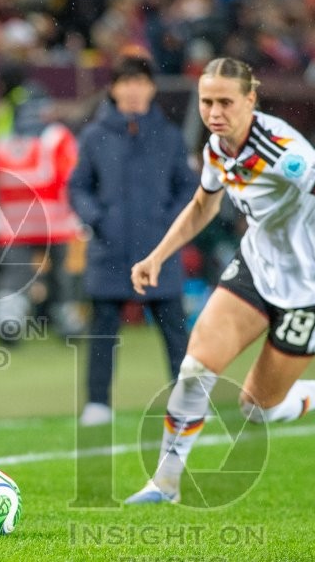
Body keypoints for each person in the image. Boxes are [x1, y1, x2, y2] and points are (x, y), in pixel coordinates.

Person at [124, 58, 315, 504]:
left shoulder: (279, 150)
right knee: (195, 368)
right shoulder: (218, 146)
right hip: (258, 267)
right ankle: (165, 483)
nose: (215, 112)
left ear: (250, 99)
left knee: (257, 409)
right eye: (206, 101)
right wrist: (157, 256)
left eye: (225, 102)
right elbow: (202, 205)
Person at [68, 55, 196, 426]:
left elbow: (188, 188)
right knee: (103, 333)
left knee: (175, 332)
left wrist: (169, 226)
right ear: (113, 89)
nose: (134, 90)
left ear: (152, 88)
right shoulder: (94, 136)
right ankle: (97, 403)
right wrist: (98, 219)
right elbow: (78, 187)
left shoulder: (170, 136)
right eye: (126, 82)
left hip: (160, 252)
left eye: (140, 82)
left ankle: (187, 400)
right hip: (109, 251)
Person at [0, 61, 84, 341]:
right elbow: (72, 174)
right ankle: (67, 323)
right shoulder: (57, 135)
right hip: (56, 218)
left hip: (16, 220)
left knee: (14, 276)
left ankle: (9, 322)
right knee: (62, 276)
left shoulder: (5, 121)